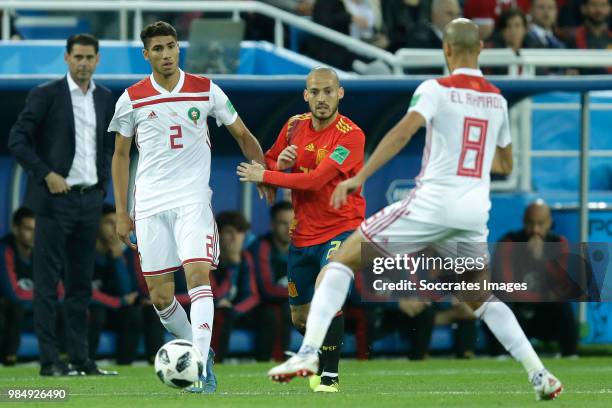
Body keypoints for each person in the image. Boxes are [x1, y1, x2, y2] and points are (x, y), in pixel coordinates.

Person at [267, 18, 564, 401]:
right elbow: (505, 165)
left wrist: (361, 177)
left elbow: (403, 131)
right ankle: (539, 374)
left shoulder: (435, 89)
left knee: (341, 260)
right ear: (482, 50)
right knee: (480, 297)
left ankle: (307, 354)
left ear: (446, 50)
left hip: (433, 203)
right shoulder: (496, 98)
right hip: (474, 212)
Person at [109, 21, 271, 393]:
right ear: (145, 54)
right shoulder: (131, 98)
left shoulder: (206, 90)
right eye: (158, 49)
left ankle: (197, 367)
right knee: (162, 299)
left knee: (199, 278)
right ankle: (204, 351)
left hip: (192, 200)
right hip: (149, 205)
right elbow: (120, 156)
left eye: (171, 46)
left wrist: (265, 174)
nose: (166, 54)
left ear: (178, 48)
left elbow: (243, 135)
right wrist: (121, 210)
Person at [237, 66, 366, 393]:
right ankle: (315, 361)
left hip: (343, 228)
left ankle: (329, 377)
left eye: (328, 91)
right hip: (303, 232)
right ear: (305, 95)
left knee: (328, 290)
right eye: (315, 92)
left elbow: (314, 180)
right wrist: (276, 167)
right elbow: (270, 159)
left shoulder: (351, 134)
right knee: (302, 318)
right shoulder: (294, 126)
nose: (321, 99)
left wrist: (266, 177)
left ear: (340, 93)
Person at [8, 33, 116, 377]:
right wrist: (46, 174)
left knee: (81, 286)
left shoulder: (105, 97)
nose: (83, 63)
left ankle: (80, 359)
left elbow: (108, 147)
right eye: (78, 57)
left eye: (89, 57)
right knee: (47, 283)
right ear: (66, 58)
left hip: (89, 202)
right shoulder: (45, 94)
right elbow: (18, 140)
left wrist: (102, 187)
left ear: (98, 59)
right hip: (54, 201)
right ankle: (48, 361)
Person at [487, 200, 579, 357]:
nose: (535, 230)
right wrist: (543, 296)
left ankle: (570, 355)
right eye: (531, 223)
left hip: (544, 316)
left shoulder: (559, 244)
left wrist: (543, 259)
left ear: (550, 223)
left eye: (540, 224)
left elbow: (562, 287)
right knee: (499, 305)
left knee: (563, 306)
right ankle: (499, 355)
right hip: (517, 314)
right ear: (524, 221)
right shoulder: (509, 243)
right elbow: (506, 289)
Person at [88, 204, 141, 363]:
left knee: (133, 312)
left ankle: (125, 366)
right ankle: (85, 363)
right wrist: (120, 301)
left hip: (112, 312)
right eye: (109, 223)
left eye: (116, 224)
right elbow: (84, 292)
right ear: (97, 224)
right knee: (96, 312)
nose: (115, 228)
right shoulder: (84, 254)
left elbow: (127, 292)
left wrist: (117, 259)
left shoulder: (122, 255)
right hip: (90, 310)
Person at [209, 211, 260, 362]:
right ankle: (213, 363)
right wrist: (233, 267)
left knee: (268, 315)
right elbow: (216, 295)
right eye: (230, 233)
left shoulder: (245, 257)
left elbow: (252, 295)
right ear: (217, 234)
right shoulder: (207, 258)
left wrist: (235, 310)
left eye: (240, 232)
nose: (236, 238)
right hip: (209, 310)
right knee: (222, 313)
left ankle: (268, 362)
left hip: (233, 312)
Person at [249, 201, 294, 361]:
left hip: (291, 304)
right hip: (257, 306)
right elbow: (267, 289)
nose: (289, 228)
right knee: (276, 311)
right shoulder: (262, 246)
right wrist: (301, 293)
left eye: (292, 223)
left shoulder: (302, 247)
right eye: (283, 223)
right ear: (273, 225)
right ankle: (273, 361)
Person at [0, 207, 35, 366]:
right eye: (28, 229)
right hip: (9, 313)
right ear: (16, 229)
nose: (34, 234)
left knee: (64, 310)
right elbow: (12, 293)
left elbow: (60, 292)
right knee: (14, 307)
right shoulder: (5, 250)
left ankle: (63, 360)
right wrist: (42, 297)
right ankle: (8, 360)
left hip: (31, 311)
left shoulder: (41, 252)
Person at [567, 0, 612, 74]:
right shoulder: (572, 37)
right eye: (594, 5)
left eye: (603, 5)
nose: (599, 10)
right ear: (583, 8)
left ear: (610, 8)